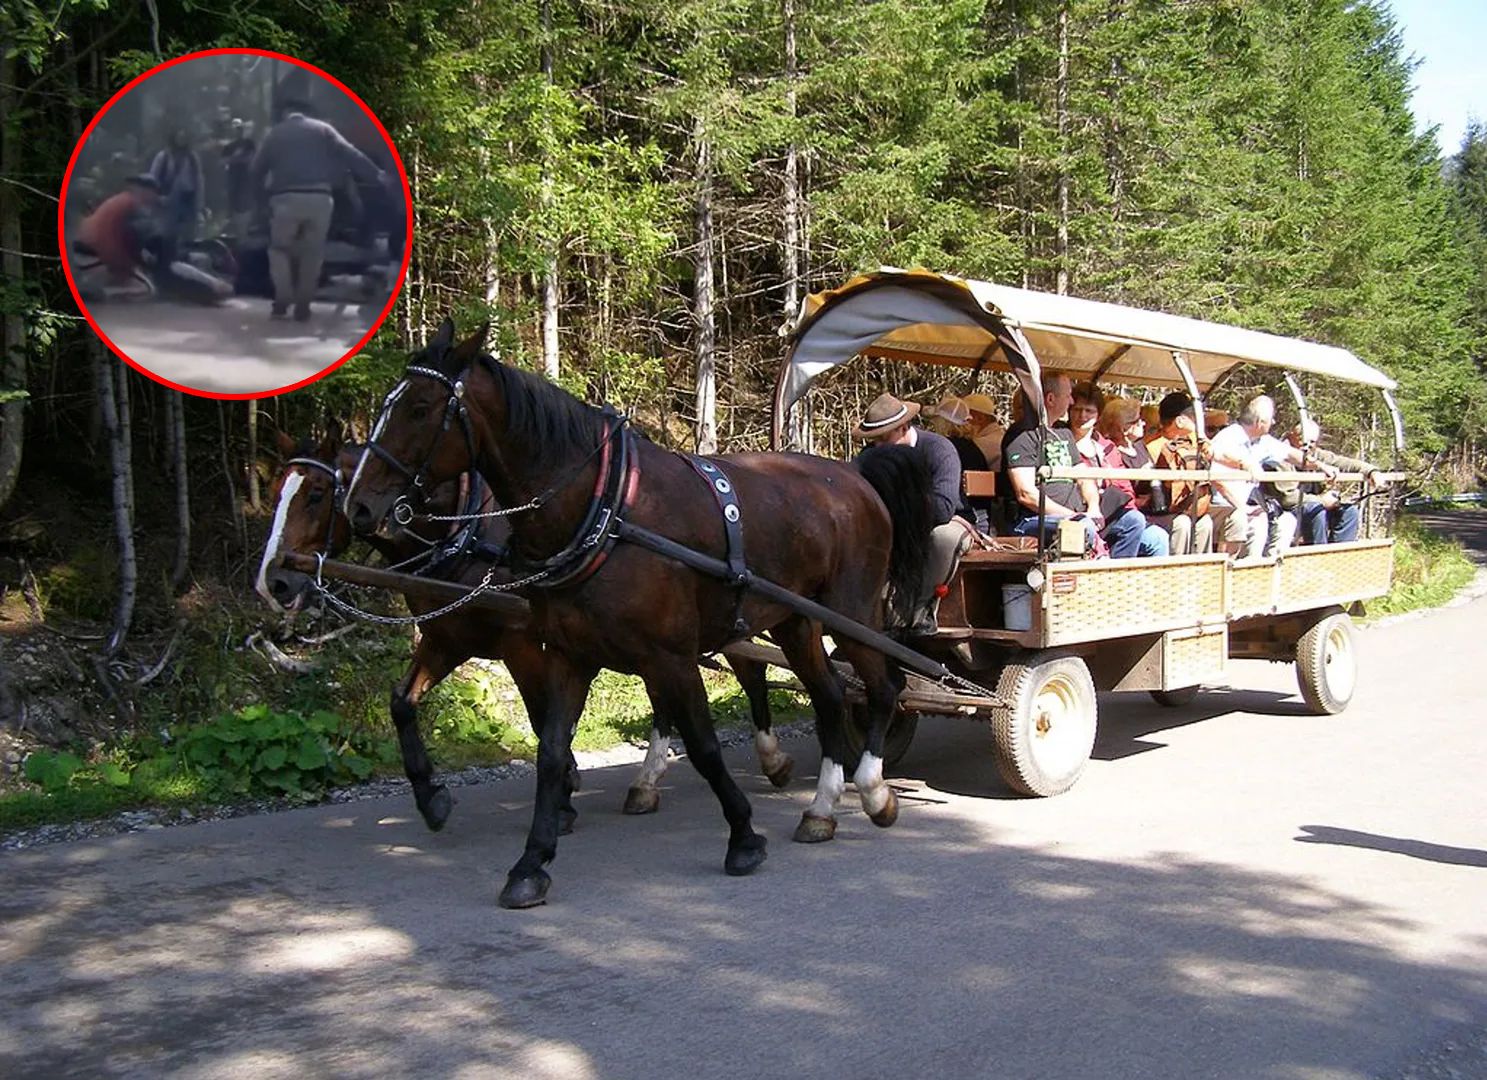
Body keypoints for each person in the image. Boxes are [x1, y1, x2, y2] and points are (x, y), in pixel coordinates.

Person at [250, 96, 388, 320]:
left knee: (280, 249)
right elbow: (350, 154)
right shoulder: (324, 130)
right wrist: (377, 175)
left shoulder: (274, 134)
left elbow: (256, 170)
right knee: (312, 253)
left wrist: (260, 202)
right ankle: (303, 303)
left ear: (286, 113)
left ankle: (283, 296)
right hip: (320, 199)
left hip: (285, 199)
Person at [854, 392, 975, 634]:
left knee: (943, 538)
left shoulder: (939, 449)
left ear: (904, 427)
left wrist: (896, 507)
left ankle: (921, 611)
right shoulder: (869, 457)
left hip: (946, 521)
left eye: (884, 438)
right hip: (897, 520)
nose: (878, 446)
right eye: (873, 440)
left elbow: (942, 509)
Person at [1001, 372, 1104, 552]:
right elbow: (1026, 494)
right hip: (1034, 520)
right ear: (1050, 399)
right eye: (1068, 395)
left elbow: (1084, 477)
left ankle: (1119, 574)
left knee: (1134, 523)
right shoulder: (1021, 435)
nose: (1071, 401)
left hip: (1076, 514)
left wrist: (1094, 508)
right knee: (1082, 528)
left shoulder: (1063, 433)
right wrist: (1074, 516)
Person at [1209, 394, 1311, 556]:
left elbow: (1291, 455)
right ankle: (1233, 572)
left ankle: (1261, 570)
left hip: (1244, 505)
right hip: (1221, 505)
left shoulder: (1262, 441)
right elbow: (1216, 480)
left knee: (1277, 520)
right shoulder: (1228, 438)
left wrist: (1320, 466)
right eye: (1271, 419)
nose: (1274, 422)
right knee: (1248, 520)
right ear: (1260, 422)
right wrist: (1242, 508)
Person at [1284, 420, 1384, 544]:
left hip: (1311, 505)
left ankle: (1338, 558)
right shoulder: (1280, 455)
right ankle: (1317, 558)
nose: (1307, 445)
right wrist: (1321, 500)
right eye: (1302, 440)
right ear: (1291, 436)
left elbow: (1344, 463)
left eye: (1312, 442)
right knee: (1316, 510)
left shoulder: (1316, 455)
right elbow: (1286, 498)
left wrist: (1371, 471)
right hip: (1287, 510)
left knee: (1349, 512)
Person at [1095, 398, 1170, 557]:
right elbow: (1118, 493)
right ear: (1124, 428)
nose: (1143, 423)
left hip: (1153, 511)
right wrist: (1140, 500)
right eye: (1137, 420)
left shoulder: (1139, 446)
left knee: (1178, 527)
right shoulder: (1112, 452)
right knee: (1160, 534)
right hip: (1130, 514)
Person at [71, 174, 163, 300]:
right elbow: (127, 240)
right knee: (148, 290)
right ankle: (102, 292)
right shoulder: (133, 207)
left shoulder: (122, 200)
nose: (154, 196)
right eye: (152, 191)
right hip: (96, 256)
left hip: (83, 250)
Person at [1146, 391, 1215, 555]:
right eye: (1192, 418)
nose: (1197, 423)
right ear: (1180, 420)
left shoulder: (1195, 443)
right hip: (1161, 508)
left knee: (1206, 523)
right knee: (1183, 523)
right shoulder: (1157, 445)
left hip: (1190, 505)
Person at [148, 128, 203, 262]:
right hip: (169, 198)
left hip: (188, 197)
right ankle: (166, 259)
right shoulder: (164, 156)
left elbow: (198, 179)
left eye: (184, 137)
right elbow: (153, 178)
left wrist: (200, 201)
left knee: (187, 233)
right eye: (179, 137)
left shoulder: (192, 157)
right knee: (168, 232)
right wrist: (157, 197)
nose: (181, 140)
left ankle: (184, 259)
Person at [222, 119, 258, 237]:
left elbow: (251, 158)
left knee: (245, 205)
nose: (237, 132)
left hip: (246, 178)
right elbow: (223, 161)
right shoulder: (229, 146)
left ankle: (246, 228)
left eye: (239, 129)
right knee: (232, 202)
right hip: (232, 177)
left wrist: (235, 159)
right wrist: (237, 158)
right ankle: (231, 225)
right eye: (235, 129)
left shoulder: (249, 143)